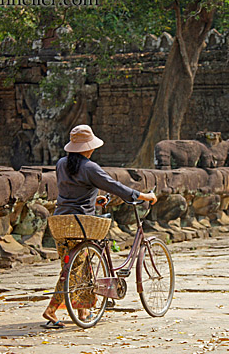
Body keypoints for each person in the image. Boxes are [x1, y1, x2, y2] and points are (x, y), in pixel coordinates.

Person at [42, 124, 157, 328]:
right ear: (88, 147)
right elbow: (116, 187)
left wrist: (95, 200)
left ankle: (83, 309)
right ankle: (51, 310)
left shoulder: (61, 164)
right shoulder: (89, 167)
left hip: (61, 221)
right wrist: (144, 195)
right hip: (82, 223)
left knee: (77, 265)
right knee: (73, 268)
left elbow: (70, 192)